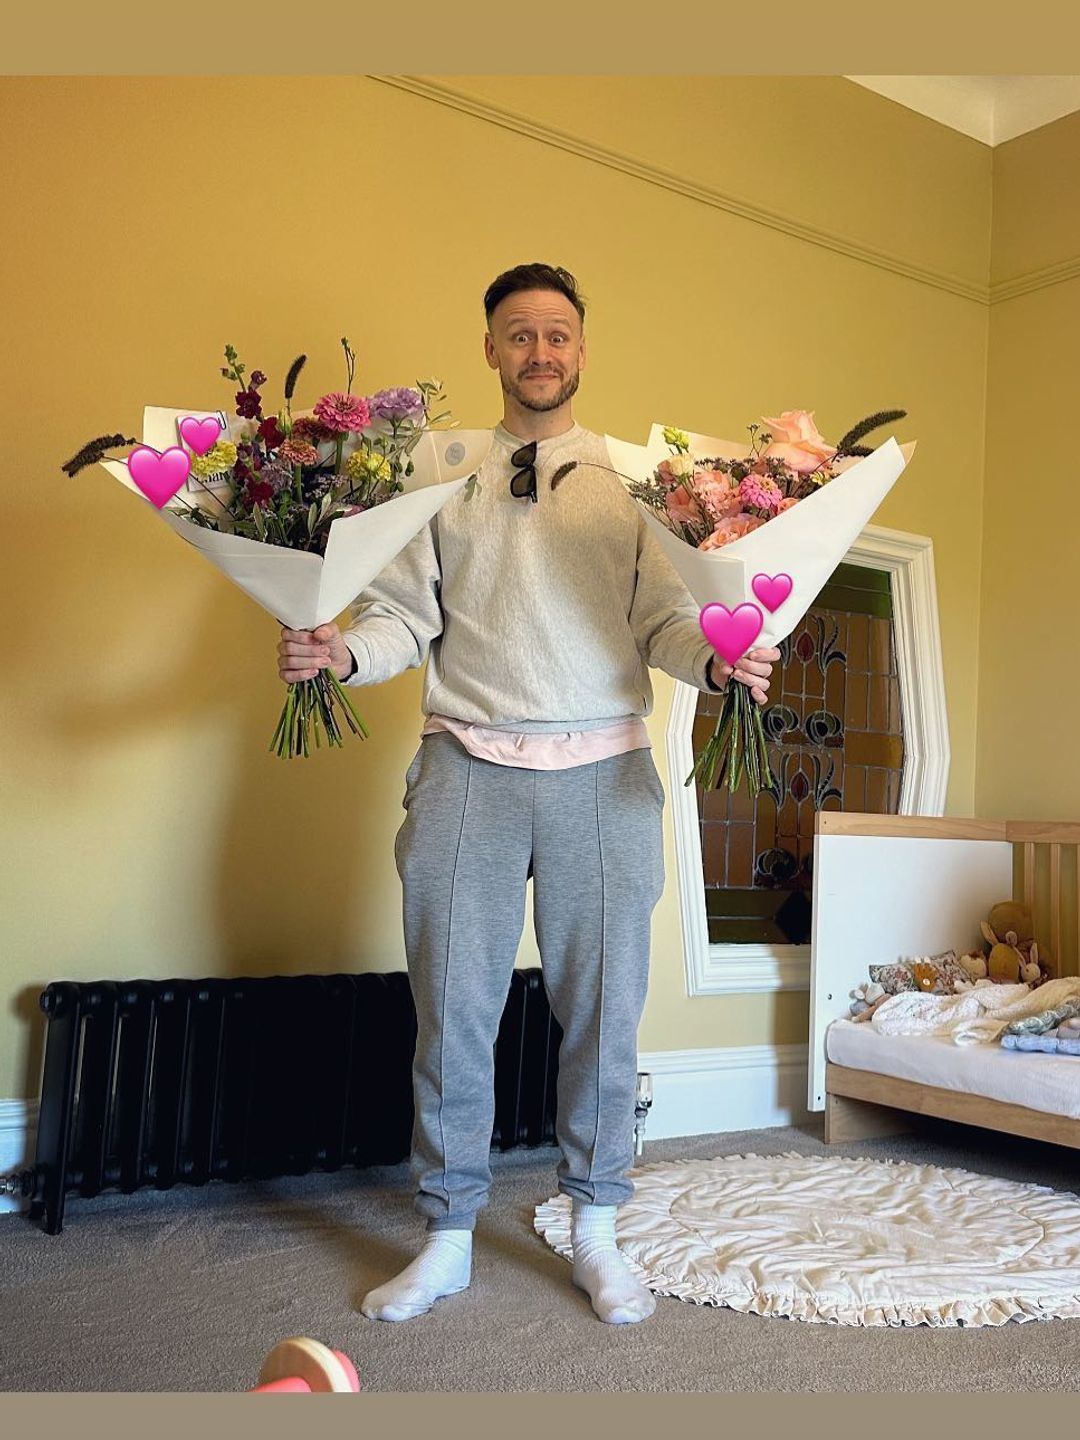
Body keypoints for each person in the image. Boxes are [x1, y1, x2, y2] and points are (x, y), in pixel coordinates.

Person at [277, 263, 779, 1325]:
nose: (539, 352)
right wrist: (334, 657)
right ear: (492, 351)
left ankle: (596, 1225)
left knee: (602, 1014)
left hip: (605, 772)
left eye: (557, 334)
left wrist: (723, 659)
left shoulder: (639, 486)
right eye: (518, 335)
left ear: (581, 350)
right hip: (467, 765)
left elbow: (666, 624)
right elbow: (401, 621)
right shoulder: (441, 477)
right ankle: (449, 1233)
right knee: (452, 1009)